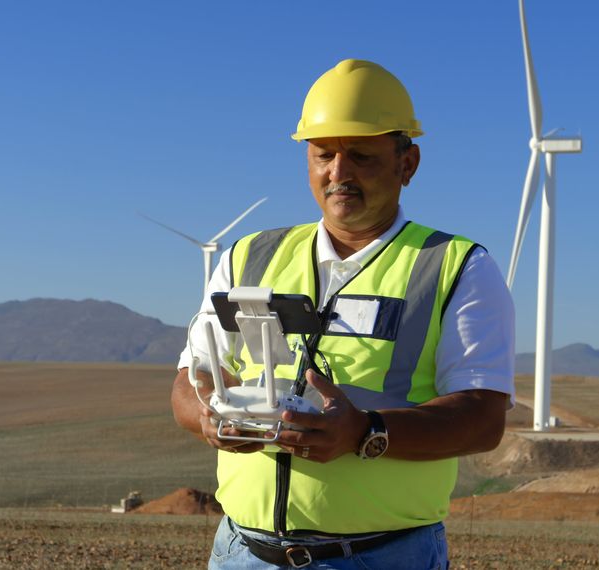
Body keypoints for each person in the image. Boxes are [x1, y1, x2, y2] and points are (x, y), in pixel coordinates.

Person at [171, 59, 514, 569]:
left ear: (408, 163)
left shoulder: (455, 268)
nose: (338, 173)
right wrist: (207, 417)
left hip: (381, 556)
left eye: (361, 156)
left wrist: (366, 432)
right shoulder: (247, 256)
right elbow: (190, 379)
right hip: (242, 553)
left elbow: (483, 419)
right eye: (323, 154)